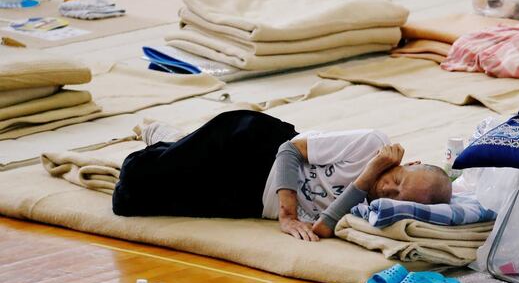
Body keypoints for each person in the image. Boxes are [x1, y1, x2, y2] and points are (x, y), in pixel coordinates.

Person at [112, 110, 452, 241]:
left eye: (396, 197)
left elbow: (322, 228)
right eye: (397, 181)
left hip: (251, 198)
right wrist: (288, 215)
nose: (387, 189)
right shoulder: (372, 143)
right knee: (133, 178)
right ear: (409, 162)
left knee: (132, 201)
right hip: (255, 147)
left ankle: (174, 140)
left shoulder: (377, 212)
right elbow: (290, 150)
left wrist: (367, 180)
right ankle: (169, 142)